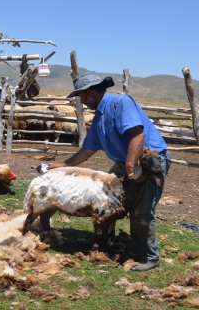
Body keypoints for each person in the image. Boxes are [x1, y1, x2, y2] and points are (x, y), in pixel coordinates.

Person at [47, 72, 170, 272]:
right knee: (106, 199)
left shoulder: (121, 103)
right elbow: (88, 149)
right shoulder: (99, 118)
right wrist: (65, 164)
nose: (82, 102)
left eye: (82, 97)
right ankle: (105, 242)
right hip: (126, 162)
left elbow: (137, 134)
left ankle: (148, 256)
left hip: (148, 161)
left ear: (90, 92)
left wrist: (131, 168)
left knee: (141, 210)